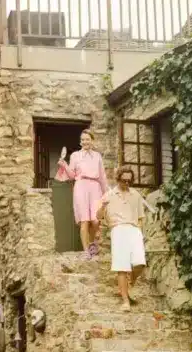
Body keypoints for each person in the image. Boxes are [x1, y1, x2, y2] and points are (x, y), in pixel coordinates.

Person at [97, 165, 146, 311]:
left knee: (140, 263)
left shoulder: (135, 195)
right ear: (118, 179)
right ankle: (125, 301)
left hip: (134, 229)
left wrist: (140, 232)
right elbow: (98, 217)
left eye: (129, 181)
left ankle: (129, 283)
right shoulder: (109, 195)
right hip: (117, 229)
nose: (126, 183)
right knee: (122, 267)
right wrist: (103, 207)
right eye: (124, 180)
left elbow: (141, 217)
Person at [57, 130, 108, 260]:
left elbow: (102, 176)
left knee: (96, 221)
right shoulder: (75, 155)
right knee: (84, 220)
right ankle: (86, 251)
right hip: (81, 186)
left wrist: (106, 193)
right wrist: (64, 165)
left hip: (95, 187)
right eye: (83, 139)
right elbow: (72, 175)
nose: (85, 142)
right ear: (80, 142)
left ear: (92, 141)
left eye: (88, 139)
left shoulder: (97, 156)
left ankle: (93, 245)